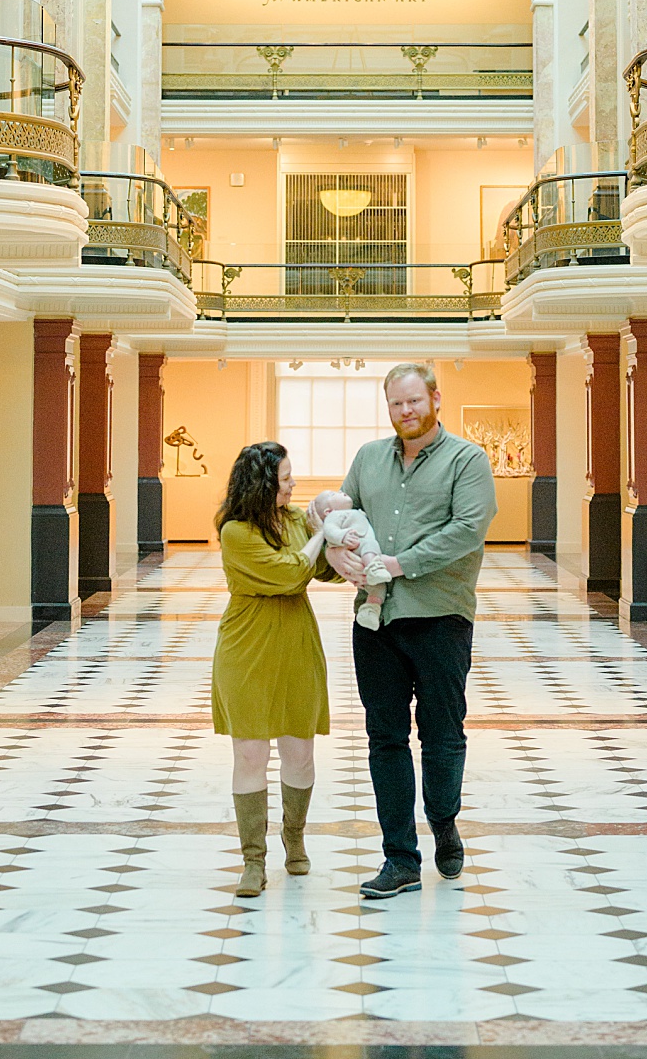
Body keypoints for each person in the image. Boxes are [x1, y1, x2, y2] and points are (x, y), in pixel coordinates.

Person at [328, 360, 495, 901]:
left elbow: (467, 530)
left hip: (441, 618)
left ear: (435, 399)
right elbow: (344, 518)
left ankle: (444, 824)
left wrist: (398, 564)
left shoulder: (467, 459)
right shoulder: (369, 459)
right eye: (397, 404)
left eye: (414, 402)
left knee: (442, 735)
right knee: (385, 739)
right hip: (375, 621)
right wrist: (337, 552)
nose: (406, 412)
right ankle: (399, 858)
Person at [210, 439, 331, 897]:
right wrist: (321, 537)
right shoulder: (236, 532)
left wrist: (345, 541)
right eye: (285, 479)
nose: (294, 485)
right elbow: (289, 573)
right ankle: (253, 860)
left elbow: (325, 570)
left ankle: (294, 838)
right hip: (247, 647)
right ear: (263, 485)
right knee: (250, 754)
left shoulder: (296, 520)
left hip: (296, 642)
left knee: (300, 750)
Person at [303, 488, 391, 630]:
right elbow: (329, 530)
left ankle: (370, 610)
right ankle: (374, 567)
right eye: (333, 494)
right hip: (357, 546)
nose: (340, 492)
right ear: (328, 511)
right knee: (370, 545)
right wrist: (342, 537)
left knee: (379, 587)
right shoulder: (335, 516)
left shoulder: (358, 512)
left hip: (362, 556)